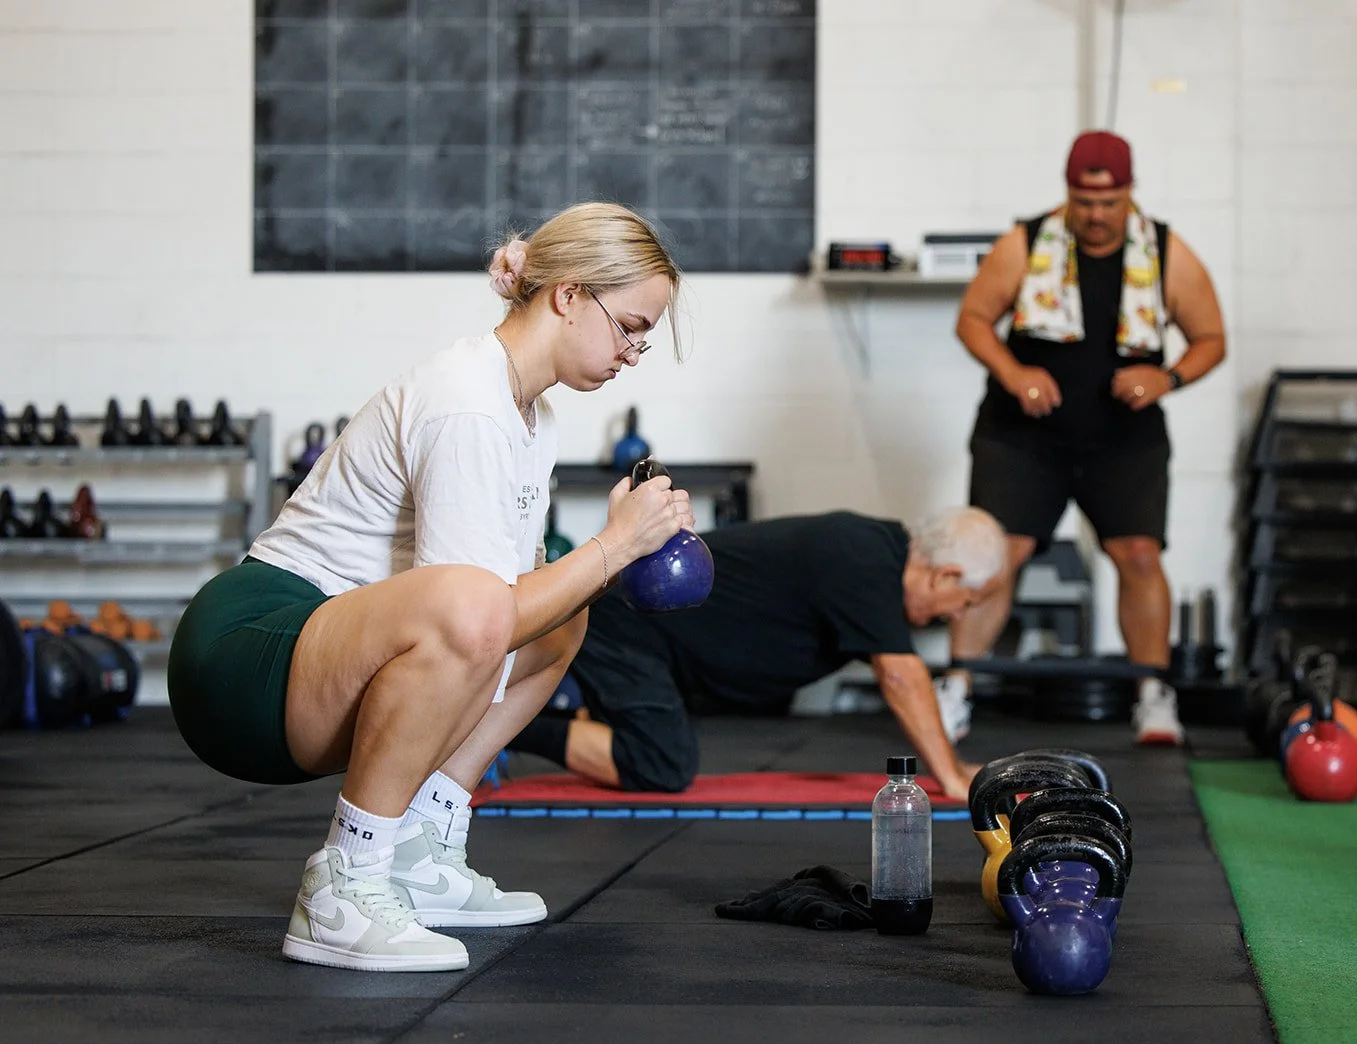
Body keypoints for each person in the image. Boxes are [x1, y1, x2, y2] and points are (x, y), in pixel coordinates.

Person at [167, 203, 695, 973]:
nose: (636, 352)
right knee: (484, 605)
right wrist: (617, 547)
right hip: (244, 657)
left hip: (324, 652)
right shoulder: (467, 402)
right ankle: (344, 884)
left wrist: (605, 558)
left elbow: (522, 611)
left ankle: (418, 842)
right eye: (631, 326)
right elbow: (480, 613)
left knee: (561, 614)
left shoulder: (531, 415)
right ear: (569, 295)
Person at [945, 130, 1227, 746]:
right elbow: (972, 319)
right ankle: (957, 690)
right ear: (1068, 194)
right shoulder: (1024, 244)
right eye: (1084, 201)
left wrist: (1167, 376)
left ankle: (1152, 694)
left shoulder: (1166, 250)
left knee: (1139, 555)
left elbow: (1211, 338)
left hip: (1123, 437)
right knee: (996, 554)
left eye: (1110, 202)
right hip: (1023, 434)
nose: (1097, 216)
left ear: (1130, 193)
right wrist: (1016, 373)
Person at [507, 507, 1008, 803]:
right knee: (661, 765)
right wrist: (950, 776)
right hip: (625, 627)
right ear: (945, 577)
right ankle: (508, 726)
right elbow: (901, 677)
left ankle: (518, 717)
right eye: (965, 602)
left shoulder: (874, 555)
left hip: (663, 649)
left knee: (662, 753)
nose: (958, 615)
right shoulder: (867, 560)